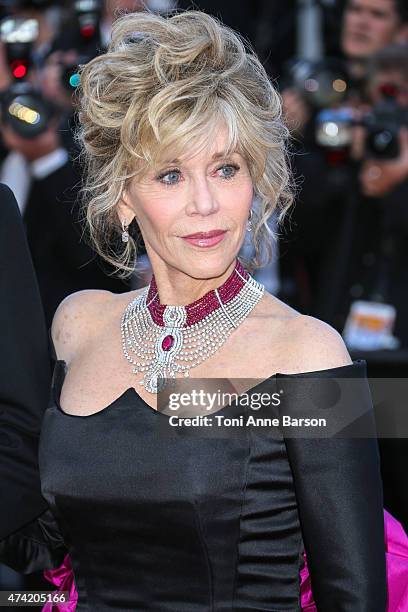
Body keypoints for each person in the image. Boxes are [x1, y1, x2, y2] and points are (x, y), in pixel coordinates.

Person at [0, 9, 403, 610]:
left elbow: (356, 596)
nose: (207, 203)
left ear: (257, 178)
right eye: (170, 175)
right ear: (122, 199)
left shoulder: (310, 351)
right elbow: (46, 563)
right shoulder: (77, 326)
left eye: (226, 168)